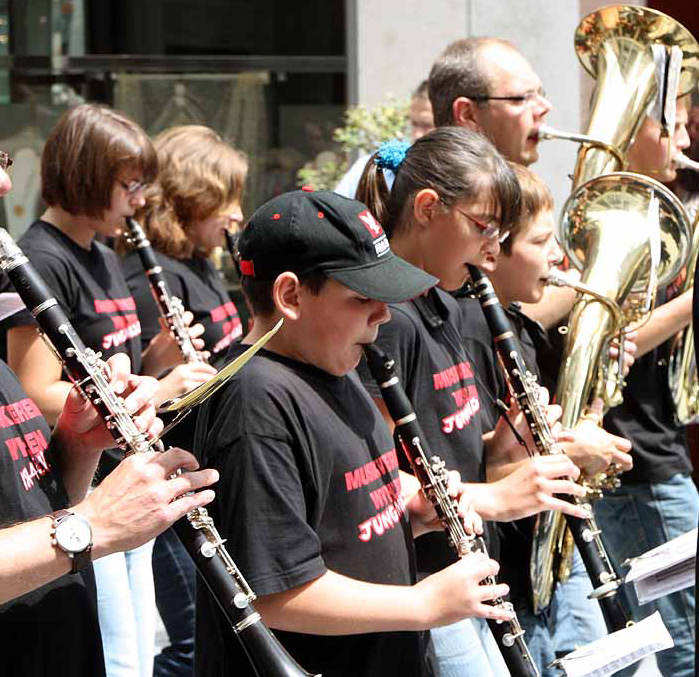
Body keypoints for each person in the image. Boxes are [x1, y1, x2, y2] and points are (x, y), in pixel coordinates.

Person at [193, 187, 519, 677]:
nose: (384, 315)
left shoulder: (333, 372)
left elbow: (334, 530)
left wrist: (409, 513)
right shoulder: (254, 402)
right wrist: (423, 604)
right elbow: (273, 591)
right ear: (290, 296)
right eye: (362, 297)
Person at [355, 127, 590, 677]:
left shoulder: (450, 305)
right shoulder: (389, 320)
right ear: (428, 209)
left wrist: (504, 445)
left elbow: (442, 448)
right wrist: (497, 498)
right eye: (485, 227)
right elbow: (372, 477)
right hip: (424, 582)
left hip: (466, 573)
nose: (493, 249)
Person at [1, 103, 216, 677]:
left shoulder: (103, 253)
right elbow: (33, 389)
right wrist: (162, 386)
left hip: (96, 482)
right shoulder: (40, 257)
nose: (141, 199)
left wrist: (156, 364)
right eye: (131, 183)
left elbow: (99, 372)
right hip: (83, 508)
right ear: (90, 173)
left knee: (132, 654)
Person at [458, 163, 633, 674]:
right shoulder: (472, 334)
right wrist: (571, 455)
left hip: (544, 564)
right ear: (493, 252)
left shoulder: (517, 326)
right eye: (542, 241)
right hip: (510, 568)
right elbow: (472, 467)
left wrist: (595, 405)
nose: (559, 256)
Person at [120, 124, 247, 677]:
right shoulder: (149, 274)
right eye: (227, 198)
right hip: (168, 470)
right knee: (191, 637)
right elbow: (148, 386)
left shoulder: (201, 265)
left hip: (203, 468)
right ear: (193, 196)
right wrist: (171, 376)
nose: (237, 215)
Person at [591, 95, 698, 677]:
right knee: (680, 641)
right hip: (640, 464)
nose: (683, 146)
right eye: (672, 129)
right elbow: (615, 340)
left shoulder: (657, 216)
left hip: (655, 449)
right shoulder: (610, 217)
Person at [334, 79, 434, 198]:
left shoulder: (456, 176)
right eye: (414, 124)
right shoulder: (372, 169)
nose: (417, 134)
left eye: (427, 125)